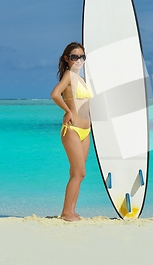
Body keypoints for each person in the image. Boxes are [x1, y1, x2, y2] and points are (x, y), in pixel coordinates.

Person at [51, 42, 92, 221]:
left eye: (82, 57)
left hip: (86, 131)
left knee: (77, 173)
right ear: (67, 59)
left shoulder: (81, 79)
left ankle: (71, 210)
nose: (79, 60)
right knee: (79, 172)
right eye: (74, 57)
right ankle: (66, 213)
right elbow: (54, 94)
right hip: (73, 129)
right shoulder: (68, 75)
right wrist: (67, 111)